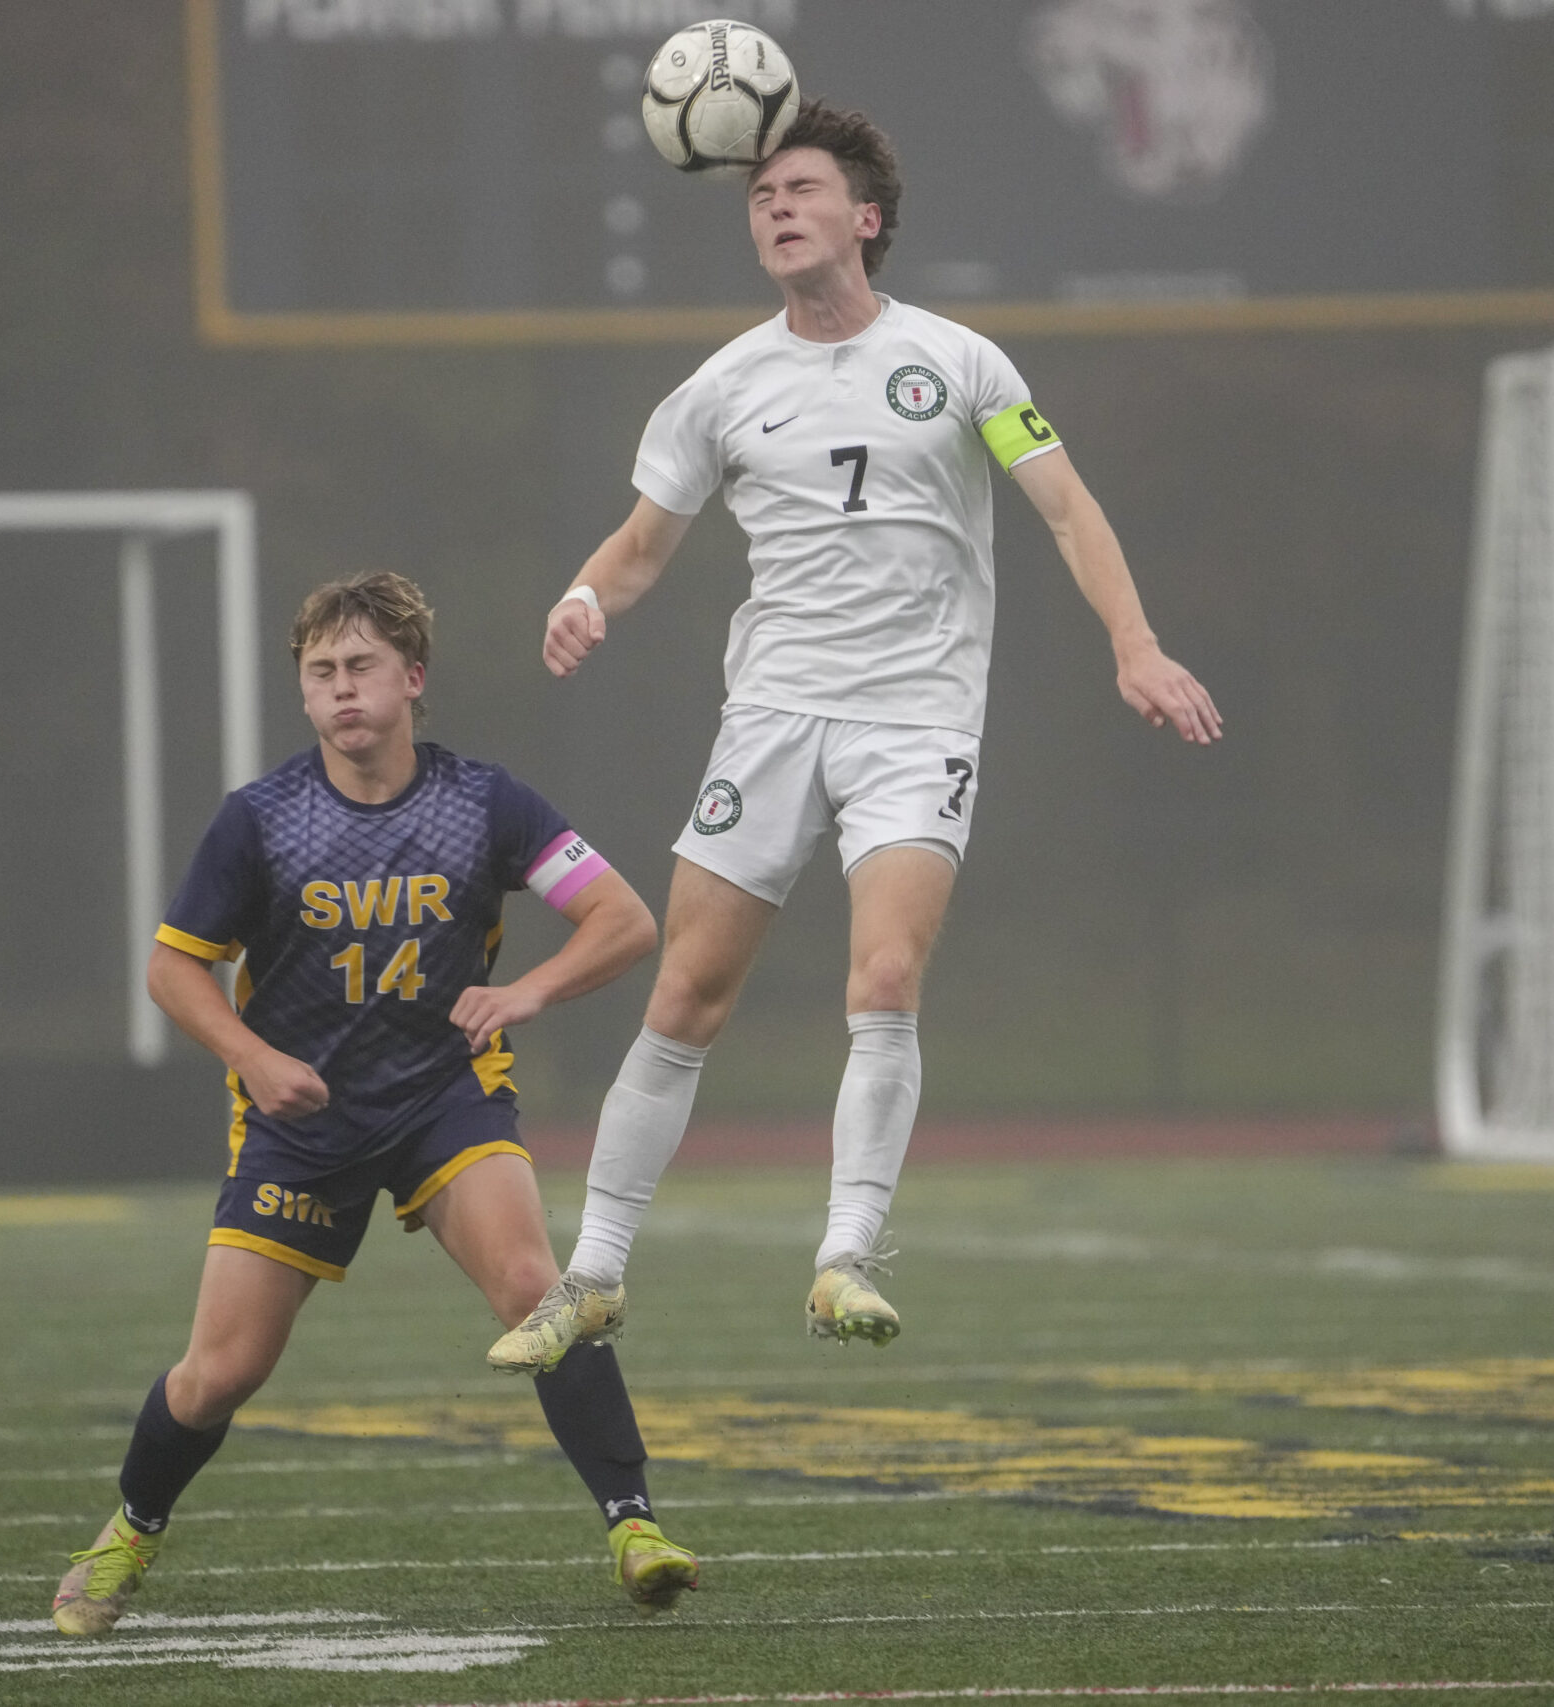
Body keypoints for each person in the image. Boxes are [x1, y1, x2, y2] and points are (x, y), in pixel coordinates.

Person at [487, 101, 1220, 1375]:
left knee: (882, 981)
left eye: (800, 188)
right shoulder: (720, 388)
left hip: (914, 720)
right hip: (769, 719)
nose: (773, 207)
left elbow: (1064, 507)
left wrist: (1135, 643)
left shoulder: (965, 365)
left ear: (865, 218)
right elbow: (643, 544)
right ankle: (592, 1274)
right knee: (684, 997)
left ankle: (843, 1260)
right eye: (758, 193)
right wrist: (583, 594)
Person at [52, 572, 698, 1636]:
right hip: (300, 1124)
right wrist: (254, 1059)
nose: (342, 690)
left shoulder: (484, 801)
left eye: (360, 668)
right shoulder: (259, 821)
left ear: (412, 678)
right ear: (302, 697)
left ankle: (634, 1527)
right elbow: (173, 971)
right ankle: (129, 1530)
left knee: (539, 1291)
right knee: (219, 1374)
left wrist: (528, 990)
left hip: (445, 1096)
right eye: (321, 673)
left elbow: (624, 921)